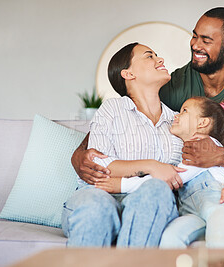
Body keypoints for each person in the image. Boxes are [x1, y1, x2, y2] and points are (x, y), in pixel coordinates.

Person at [71, 7, 224, 243]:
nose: (195, 45)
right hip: (138, 195)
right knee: (101, 206)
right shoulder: (174, 86)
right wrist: (79, 154)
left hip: (181, 195)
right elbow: (116, 125)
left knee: (159, 196)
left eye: (206, 40)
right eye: (194, 36)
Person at [62, 42, 186, 247]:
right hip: (98, 196)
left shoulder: (178, 121)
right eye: (149, 56)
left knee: (156, 190)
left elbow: (185, 171)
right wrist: (152, 166)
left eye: (157, 55)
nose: (160, 60)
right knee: (96, 207)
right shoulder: (112, 109)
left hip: (148, 203)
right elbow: (101, 166)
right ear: (127, 74)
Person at [95, 96, 224, 248]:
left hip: (220, 206)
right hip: (192, 213)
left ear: (202, 122)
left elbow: (169, 178)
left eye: (184, 111)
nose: (176, 115)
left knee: (221, 241)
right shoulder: (185, 152)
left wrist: (121, 185)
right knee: (170, 239)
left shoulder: (206, 147)